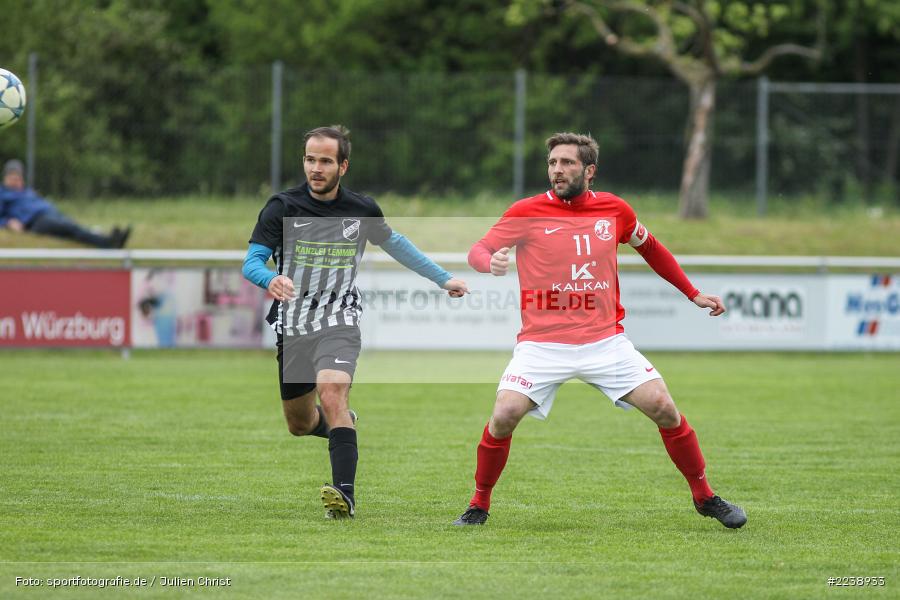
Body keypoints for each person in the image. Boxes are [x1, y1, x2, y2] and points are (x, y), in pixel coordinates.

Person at [453, 132, 746, 529]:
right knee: (504, 414)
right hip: (542, 345)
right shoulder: (527, 210)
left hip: (605, 342)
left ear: (589, 170)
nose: (557, 169)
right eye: (553, 162)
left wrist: (692, 293)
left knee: (664, 407)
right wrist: (491, 263)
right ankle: (478, 505)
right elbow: (478, 250)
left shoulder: (615, 210)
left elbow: (653, 249)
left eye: (567, 163)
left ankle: (705, 496)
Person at [242, 125, 468, 520]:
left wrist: (442, 278)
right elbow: (252, 262)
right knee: (300, 423)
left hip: (339, 319)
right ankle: (340, 426)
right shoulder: (281, 207)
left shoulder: (361, 209)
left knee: (332, 393)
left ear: (342, 166)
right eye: (310, 159)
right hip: (293, 326)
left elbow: (396, 244)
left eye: (325, 160)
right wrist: (270, 278)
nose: (316, 167)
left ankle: (344, 495)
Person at [0, 159, 131, 248]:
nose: (15, 181)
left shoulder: (27, 192)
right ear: (5, 178)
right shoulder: (3, 194)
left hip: (50, 214)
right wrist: (8, 222)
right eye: (11, 177)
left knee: (74, 228)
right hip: (36, 221)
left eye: (17, 177)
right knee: (72, 229)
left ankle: (111, 239)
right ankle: (109, 243)